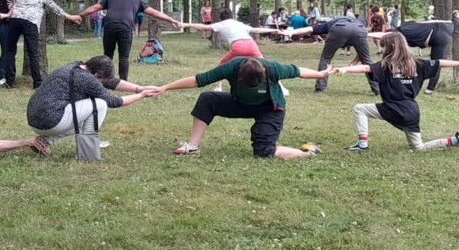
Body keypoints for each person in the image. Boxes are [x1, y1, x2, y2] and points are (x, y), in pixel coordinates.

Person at [157, 57, 328, 158]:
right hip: (240, 103)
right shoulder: (232, 66)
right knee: (207, 98)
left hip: (270, 108)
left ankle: (308, 153)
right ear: (239, 76)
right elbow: (198, 80)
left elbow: (299, 71)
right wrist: (165, 87)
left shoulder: (273, 68)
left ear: (263, 71)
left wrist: (320, 74)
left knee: (263, 151)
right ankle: (192, 145)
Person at [333, 33, 459, 152]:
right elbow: (439, 62)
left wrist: (346, 69)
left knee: (360, 109)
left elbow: (366, 68)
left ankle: (362, 145)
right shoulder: (418, 64)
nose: (381, 49)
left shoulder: (386, 66)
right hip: (412, 111)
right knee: (418, 147)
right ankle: (455, 140)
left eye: (383, 46)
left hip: (393, 108)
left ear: (392, 47)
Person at [26, 55, 159, 147]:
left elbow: (111, 82)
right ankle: (88, 147)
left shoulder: (77, 66)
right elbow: (114, 102)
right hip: (50, 122)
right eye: (103, 80)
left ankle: (45, 142)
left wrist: (138, 88)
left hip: (35, 120)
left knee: (86, 111)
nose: (104, 83)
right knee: (99, 105)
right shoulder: (87, 79)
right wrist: (142, 95)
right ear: (96, 75)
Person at [77, 0, 180, 81]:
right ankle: (123, 82)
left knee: (108, 55)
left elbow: (95, 7)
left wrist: (80, 15)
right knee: (124, 57)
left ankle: (104, 80)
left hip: (110, 26)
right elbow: (155, 13)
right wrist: (171, 20)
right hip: (125, 27)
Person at [3, 0, 82, 89]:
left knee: (10, 51)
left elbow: (13, 4)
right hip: (31, 21)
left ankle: (9, 82)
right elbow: (53, 6)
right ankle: (37, 83)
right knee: (33, 53)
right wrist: (69, 16)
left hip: (15, 20)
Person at [367, 11, 459, 93]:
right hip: (442, 31)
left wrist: (367, 34)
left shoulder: (402, 30)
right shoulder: (408, 27)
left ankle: (430, 89)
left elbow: (384, 35)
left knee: (436, 62)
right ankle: (430, 89)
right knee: (437, 62)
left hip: (438, 35)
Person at [282, 15, 379, 94]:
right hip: (360, 29)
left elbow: (310, 29)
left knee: (326, 58)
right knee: (366, 60)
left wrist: (292, 32)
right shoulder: (357, 22)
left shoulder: (330, 23)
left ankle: (320, 88)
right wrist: (354, 62)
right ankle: (377, 89)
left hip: (339, 28)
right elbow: (363, 54)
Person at [181, 9, 285, 76]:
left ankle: (218, 88)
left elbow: (204, 27)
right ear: (232, 16)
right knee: (265, 65)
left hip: (238, 45)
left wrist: (186, 24)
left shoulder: (221, 24)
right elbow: (256, 30)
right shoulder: (239, 23)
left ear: (221, 18)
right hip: (251, 44)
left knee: (221, 65)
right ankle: (280, 87)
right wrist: (273, 30)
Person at [0, 0, 26, 87]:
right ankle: (1, 77)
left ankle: (8, 76)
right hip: (4, 23)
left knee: (10, 51)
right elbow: (11, 8)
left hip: (11, 24)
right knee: (6, 51)